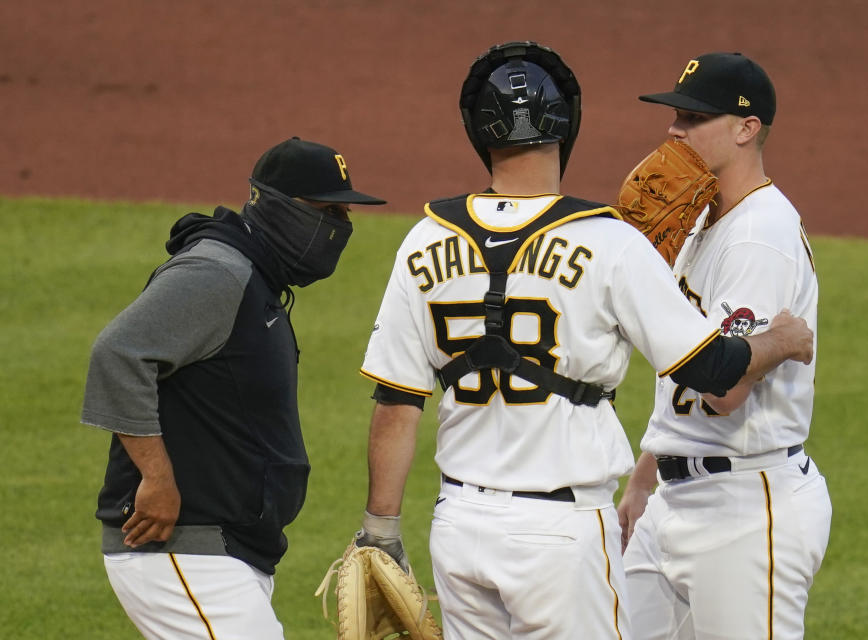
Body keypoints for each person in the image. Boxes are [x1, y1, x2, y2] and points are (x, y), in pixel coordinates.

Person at [353, 41, 814, 640]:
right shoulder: (610, 242)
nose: (675, 133)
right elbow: (717, 371)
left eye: (694, 118)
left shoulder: (422, 240)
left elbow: (395, 403)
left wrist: (380, 530)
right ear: (566, 129)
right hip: (561, 536)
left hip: (459, 526)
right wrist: (782, 340)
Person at [80, 137, 385, 639]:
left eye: (346, 212)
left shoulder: (256, 280)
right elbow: (119, 353)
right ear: (279, 206)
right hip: (180, 548)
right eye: (327, 210)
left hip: (225, 552)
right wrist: (156, 478)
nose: (341, 226)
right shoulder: (219, 271)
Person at [617, 52, 832, 639]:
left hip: (743, 506)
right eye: (675, 116)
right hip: (674, 495)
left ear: (746, 128)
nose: (674, 130)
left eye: (693, 118)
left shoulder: (760, 235)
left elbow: (724, 388)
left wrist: (782, 341)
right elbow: (681, 368)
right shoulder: (699, 222)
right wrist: (646, 473)